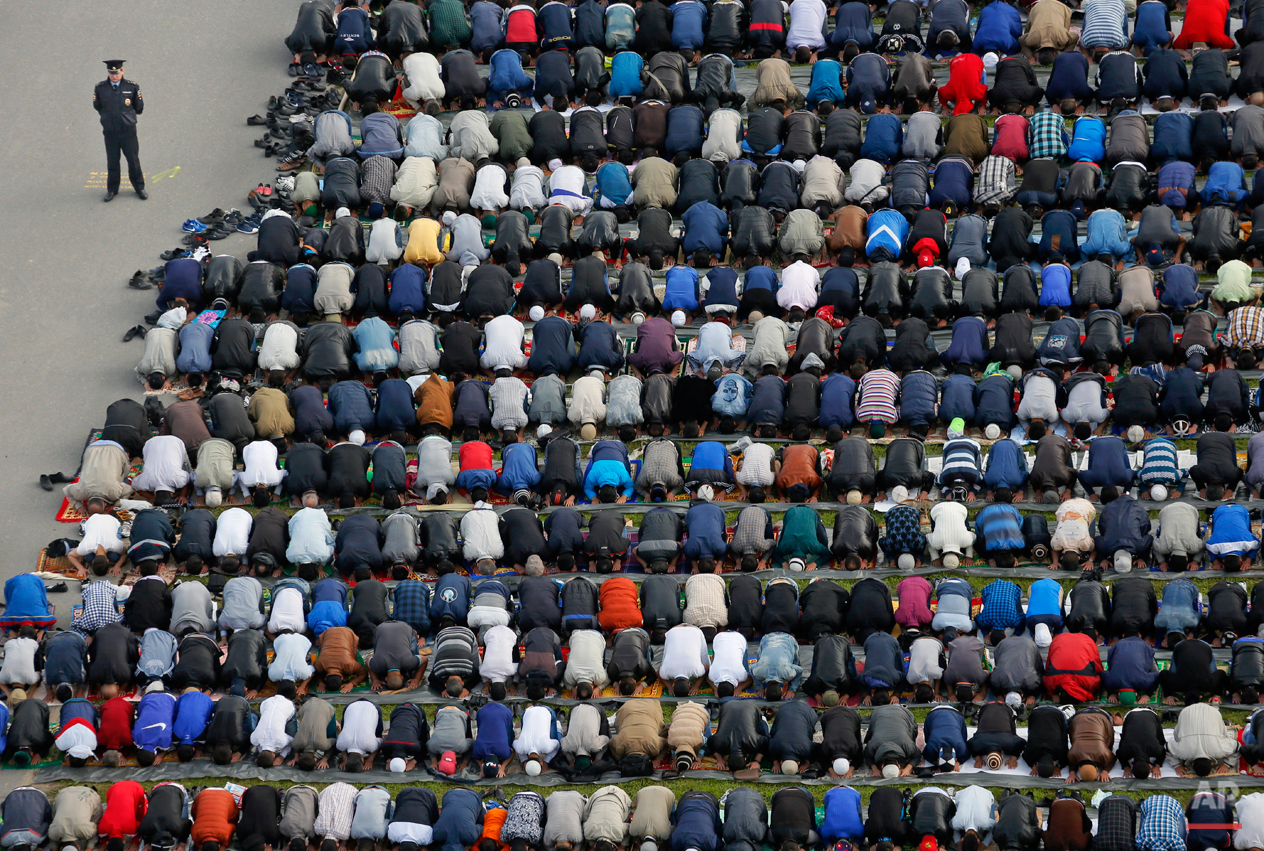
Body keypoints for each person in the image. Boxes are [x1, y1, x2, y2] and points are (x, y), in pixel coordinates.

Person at [94, 60, 146, 202]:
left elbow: (139, 107)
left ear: (122, 71)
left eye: (116, 73)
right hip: (110, 132)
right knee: (112, 162)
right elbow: (97, 106)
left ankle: (139, 188)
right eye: (111, 73)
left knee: (133, 160)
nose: (114, 76)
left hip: (127, 131)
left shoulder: (132, 87)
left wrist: (127, 117)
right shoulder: (101, 88)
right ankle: (112, 190)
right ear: (108, 73)